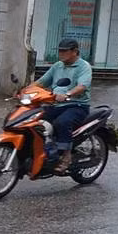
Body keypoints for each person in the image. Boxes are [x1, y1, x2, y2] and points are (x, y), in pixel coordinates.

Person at [35, 38, 93, 174]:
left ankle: (66, 156)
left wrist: (68, 94)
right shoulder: (57, 66)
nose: (61, 54)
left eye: (64, 51)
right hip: (55, 104)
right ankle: (42, 151)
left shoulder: (84, 66)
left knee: (62, 122)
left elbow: (82, 86)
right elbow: (41, 82)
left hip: (77, 105)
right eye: (60, 51)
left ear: (75, 52)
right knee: (34, 120)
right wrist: (24, 91)